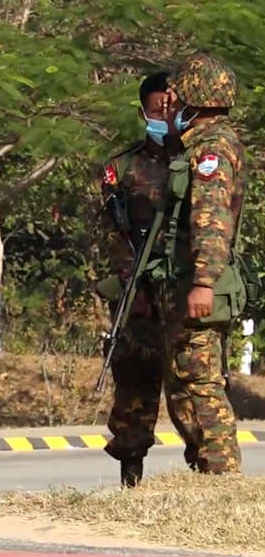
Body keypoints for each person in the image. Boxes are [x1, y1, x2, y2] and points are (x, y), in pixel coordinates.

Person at [158, 54, 246, 474]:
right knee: (182, 384)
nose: (168, 101)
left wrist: (204, 282)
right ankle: (204, 466)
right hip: (186, 282)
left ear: (195, 96)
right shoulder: (196, 144)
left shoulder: (212, 149)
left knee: (201, 382)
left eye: (176, 93)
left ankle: (222, 473)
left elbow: (211, 220)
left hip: (202, 284)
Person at [96, 72, 171, 487]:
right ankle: (131, 474)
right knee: (134, 382)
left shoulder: (198, 161)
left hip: (182, 288)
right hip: (138, 289)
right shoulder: (122, 166)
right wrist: (132, 282)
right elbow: (112, 232)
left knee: (193, 386)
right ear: (144, 110)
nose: (165, 115)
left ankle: (209, 473)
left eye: (171, 108)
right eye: (157, 108)